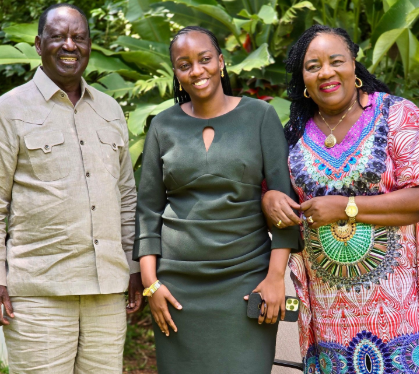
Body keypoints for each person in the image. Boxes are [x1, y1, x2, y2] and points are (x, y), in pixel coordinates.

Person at [133, 26, 300, 374]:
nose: (197, 70)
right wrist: (151, 285)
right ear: (176, 74)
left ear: (221, 62)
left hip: (245, 281)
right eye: (184, 64)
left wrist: (275, 279)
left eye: (205, 59)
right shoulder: (163, 126)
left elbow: (286, 205)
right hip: (177, 288)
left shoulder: (260, 116)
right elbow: (148, 210)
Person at [262, 24, 419, 373]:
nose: (326, 72)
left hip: (401, 308)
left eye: (336, 61)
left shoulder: (397, 114)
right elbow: (275, 195)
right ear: (303, 78)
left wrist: (346, 207)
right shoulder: (294, 136)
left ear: (354, 67)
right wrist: (270, 197)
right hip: (329, 315)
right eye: (313, 65)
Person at [0, 3, 144, 373]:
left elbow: (127, 196)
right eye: (58, 36)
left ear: (89, 46)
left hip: (106, 294)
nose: (69, 45)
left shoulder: (109, 109)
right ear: (37, 43)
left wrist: (131, 266)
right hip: (38, 294)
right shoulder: (9, 109)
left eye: (79, 38)